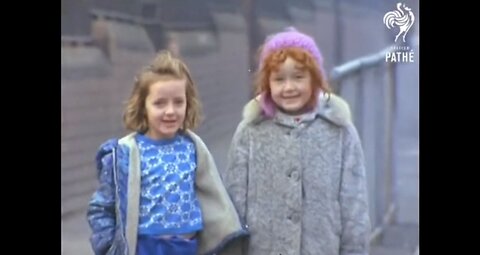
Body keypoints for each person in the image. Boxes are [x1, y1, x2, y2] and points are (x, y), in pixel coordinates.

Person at [223, 27, 371, 255]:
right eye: (279, 79)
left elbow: (354, 204)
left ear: (315, 79)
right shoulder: (250, 132)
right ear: (267, 83)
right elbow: (234, 202)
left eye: (299, 77)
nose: (289, 87)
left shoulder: (339, 131)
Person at [87, 50, 248, 255]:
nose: (170, 111)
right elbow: (101, 207)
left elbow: (213, 196)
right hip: (145, 248)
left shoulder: (193, 148)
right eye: (159, 103)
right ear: (143, 106)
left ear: (188, 104)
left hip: (186, 247)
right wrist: (109, 246)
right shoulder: (125, 154)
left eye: (178, 102)